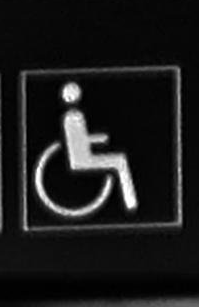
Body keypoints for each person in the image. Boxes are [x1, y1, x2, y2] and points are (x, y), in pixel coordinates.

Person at [54, 81, 137, 210]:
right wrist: (99, 139)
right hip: (83, 159)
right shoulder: (75, 118)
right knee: (120, 161)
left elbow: (78, 140)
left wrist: (97, 139)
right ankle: (130, 201)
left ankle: (130, 201)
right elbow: (78, 142)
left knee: (120, 160)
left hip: (82, 155)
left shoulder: (71, 118)